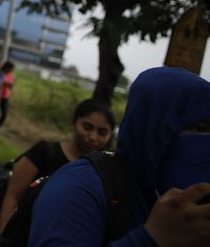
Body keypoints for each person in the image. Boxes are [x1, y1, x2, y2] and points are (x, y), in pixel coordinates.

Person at [29, 67, 210, 246]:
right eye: (201, 129)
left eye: (102, 132)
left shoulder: (190, 205)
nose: (92, 137)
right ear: (152, 126)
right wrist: (154, 238)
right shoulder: (80, 187)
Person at [0, 98, 116, 231]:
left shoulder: (103, 171)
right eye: (87, 127)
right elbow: (13, 194)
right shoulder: (45, 151)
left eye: (102, 132)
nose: (93, 137)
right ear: (74, 122)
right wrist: (4, 236)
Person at [0, 60, 15, 130]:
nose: (11, 70)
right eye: (10, 68)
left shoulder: (11, 76)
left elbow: (11, 86)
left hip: (5, 97)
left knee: (4, 114)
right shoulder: (0, 73)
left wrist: (8, 84)